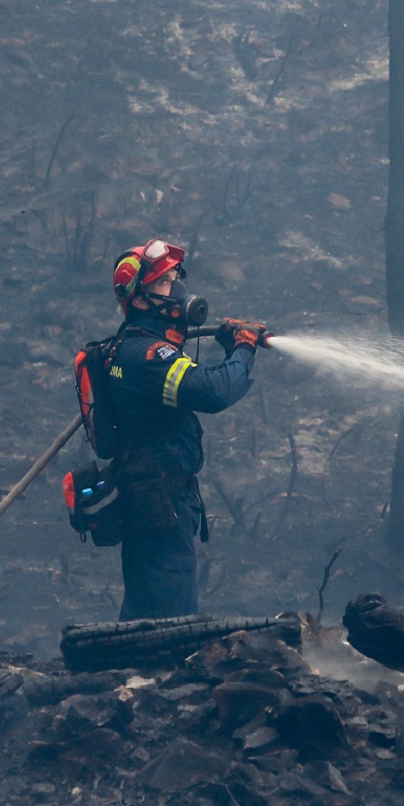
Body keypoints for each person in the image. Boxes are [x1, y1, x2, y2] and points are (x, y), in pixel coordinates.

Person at [102, 238, 266, 619]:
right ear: (139, 300)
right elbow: (211, 392)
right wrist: (243, 349)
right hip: (159, 500)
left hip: (154, 493)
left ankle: (129, 675)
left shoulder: (136, 346)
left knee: (146, 608)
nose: (177, 290)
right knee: (170, 614)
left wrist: (228, 346)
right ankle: (157, 674)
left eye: (176, 277)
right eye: (163, 282)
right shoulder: (145, 355)